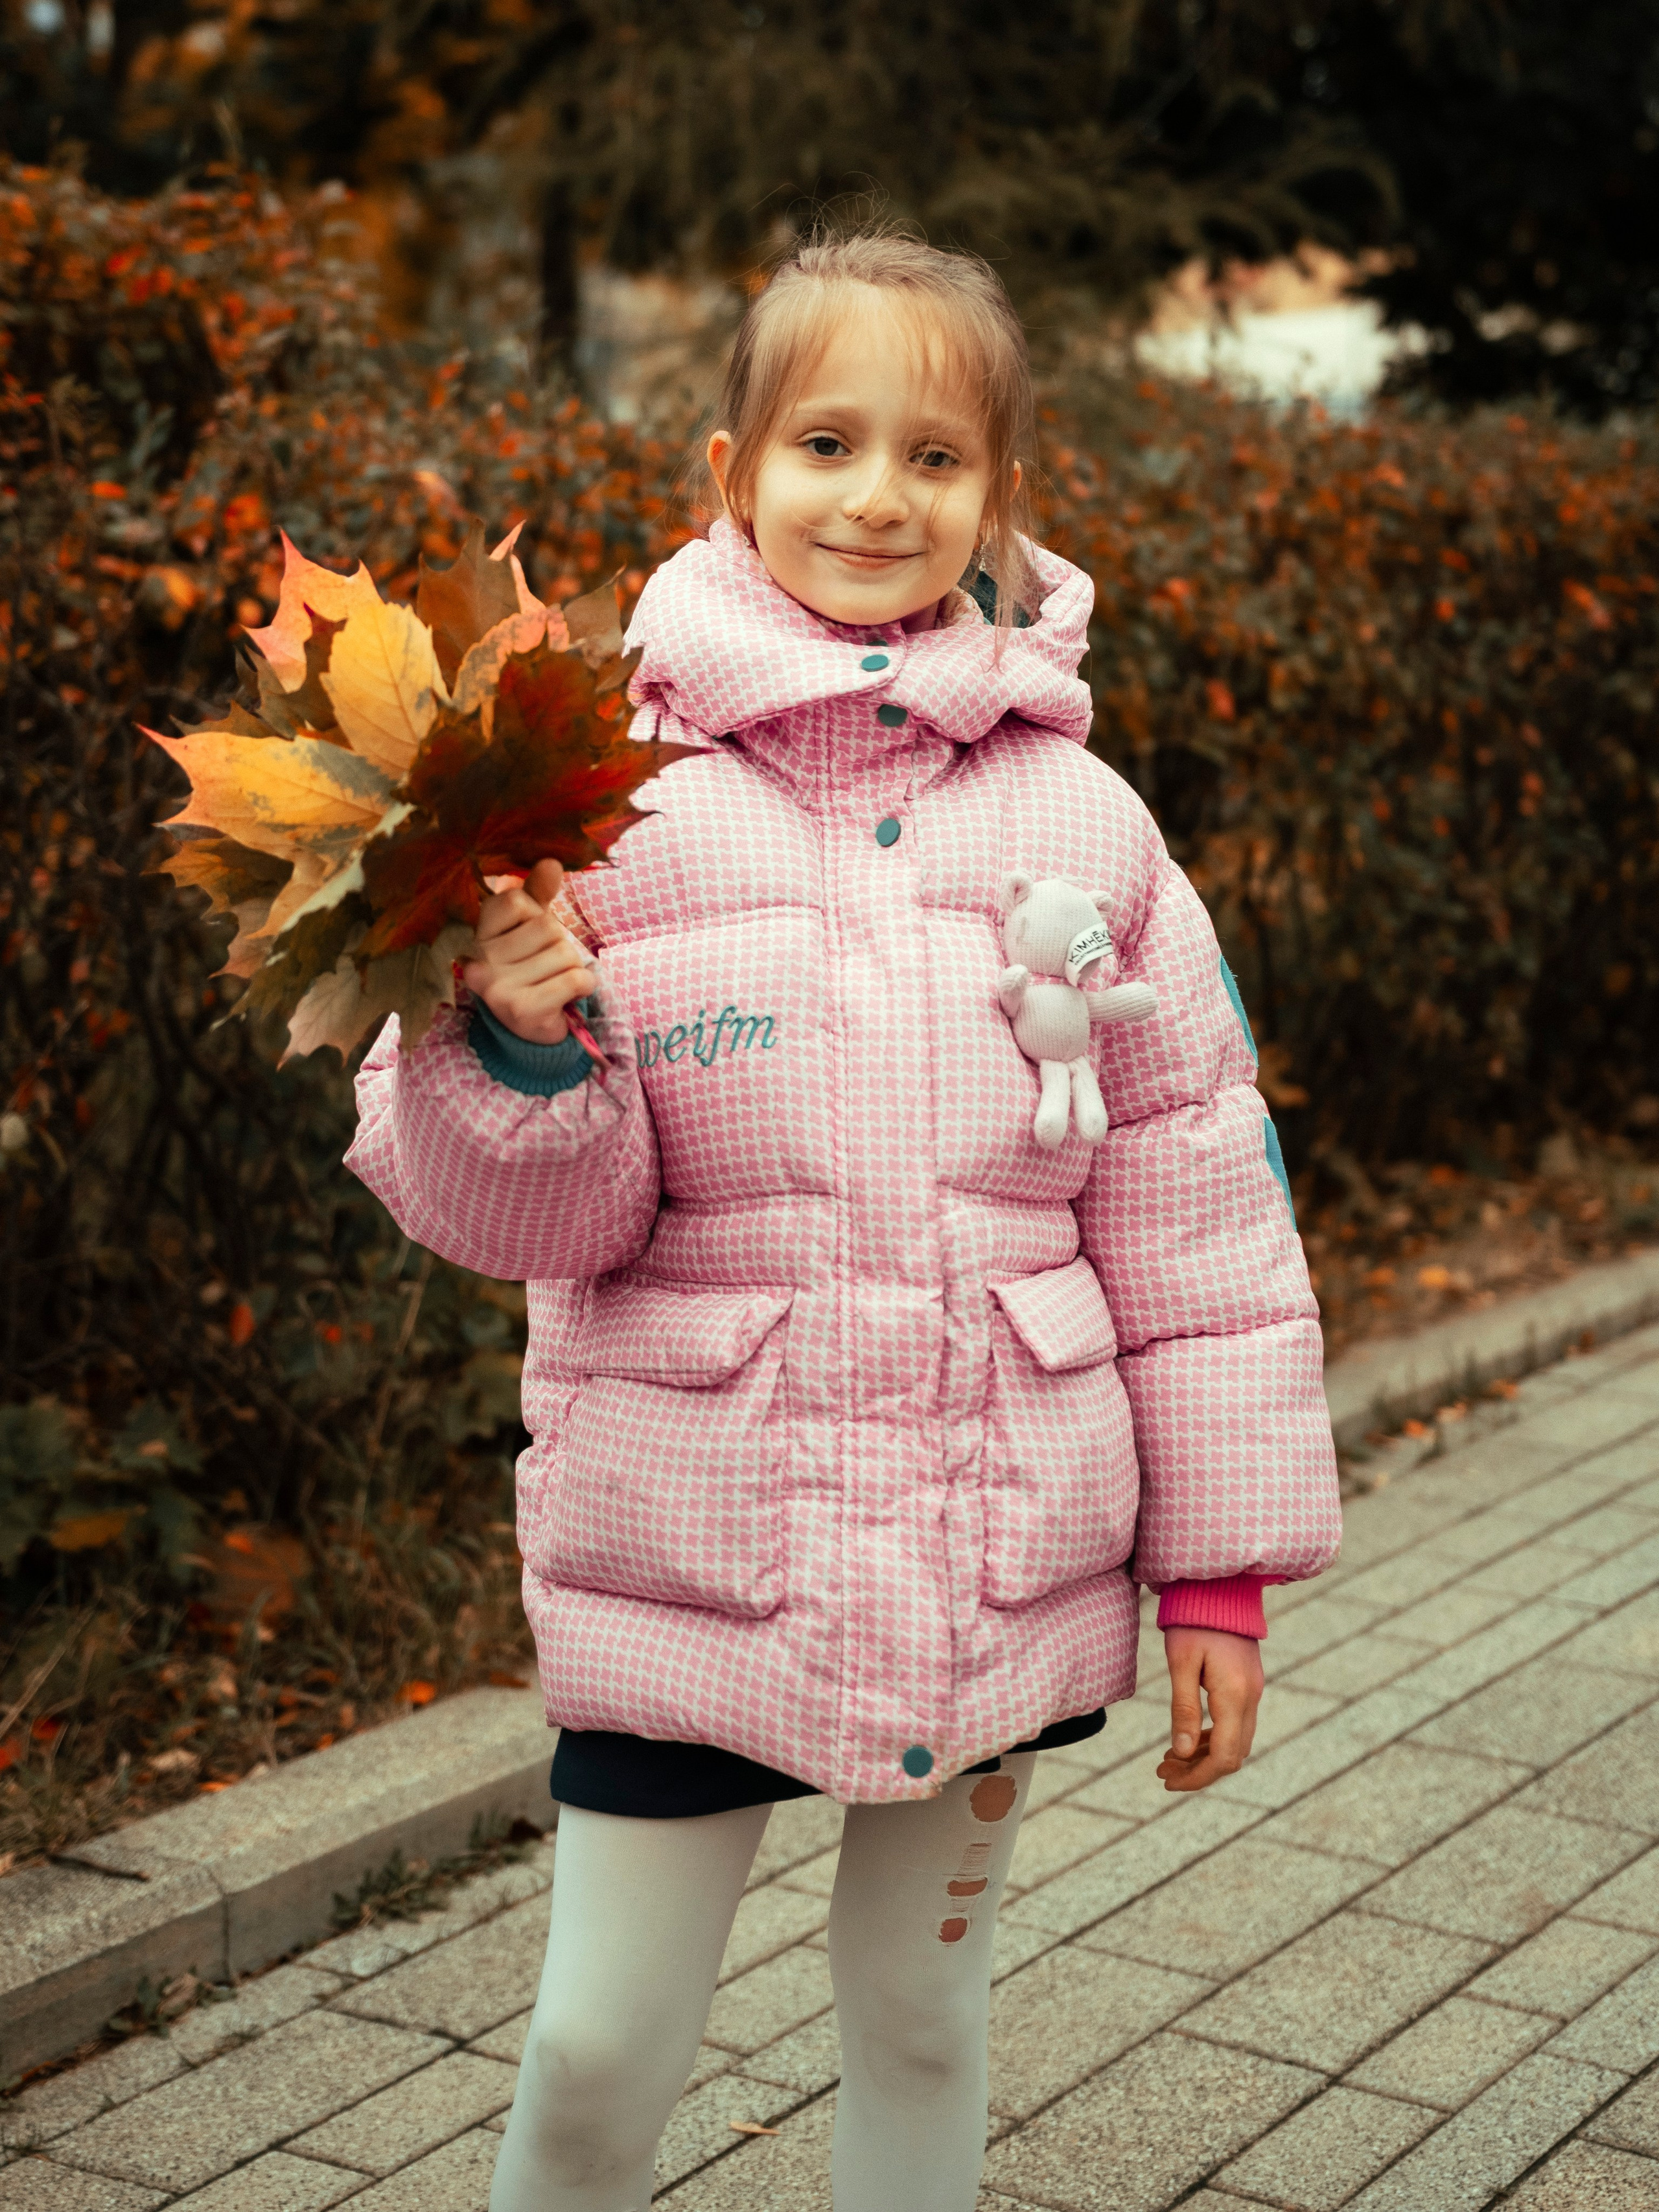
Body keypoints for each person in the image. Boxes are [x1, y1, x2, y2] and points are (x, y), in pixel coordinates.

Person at [347, 226, 1340, 2212]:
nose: (879, 496)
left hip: (993, 1545)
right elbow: (532, 1211)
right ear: (730, 475)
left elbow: (1198, 1212)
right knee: (596, 2041)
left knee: (918, 2016)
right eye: (825, 443)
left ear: (1000, 494)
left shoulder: (1089, 827)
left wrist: (1218, 1576)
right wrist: (529, 1049)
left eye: (935, 456)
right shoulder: (600, 802)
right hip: (701, 1544)